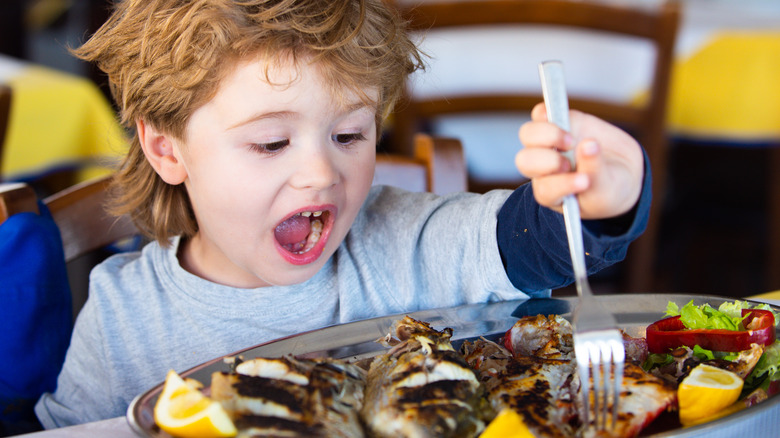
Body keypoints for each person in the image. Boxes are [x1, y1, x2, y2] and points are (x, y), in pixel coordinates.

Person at [35, 0, 650, 428]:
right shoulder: (121, 316)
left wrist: (601, 197)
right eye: (272, 143)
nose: (322, 174)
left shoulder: (402, 242)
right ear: (167, 148)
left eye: (351, 135)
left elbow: (528, 243)